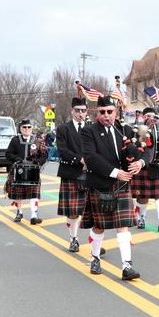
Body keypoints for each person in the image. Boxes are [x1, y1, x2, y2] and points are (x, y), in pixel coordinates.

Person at [80, 96, 150, 280]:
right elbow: (90, 157)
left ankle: (127, 266)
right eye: (102, 112)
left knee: (123, 225)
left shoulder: (125, 130)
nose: (106, 116)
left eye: (110, 112)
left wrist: (141, 162)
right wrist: (114, 172)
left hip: (122, 185)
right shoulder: (89, 131)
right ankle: (95, 258)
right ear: (97, 113)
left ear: (115, 112)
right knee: (99, 226)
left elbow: (148, 147)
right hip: (100, 184)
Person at [131, 107, 159, 233]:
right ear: (143, 117)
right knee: (142, 196)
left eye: (153, 116)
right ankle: (141, 218)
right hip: (143, 165)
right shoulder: (136, 130)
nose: (150, 118)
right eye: (147, 115)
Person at [56, 97, 89, 251]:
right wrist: (80, 160)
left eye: (83, 110)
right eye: (77, 110)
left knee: (92, 210)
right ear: (72, 111)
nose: (80, 113)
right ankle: (73, 239)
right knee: (74, 212)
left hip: (91, 174)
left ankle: (93, 241)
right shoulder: (64, 128)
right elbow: (63, 150)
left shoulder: (91, 128)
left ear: (86, 111)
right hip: (72, 173)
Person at [5, 119, 48, 224]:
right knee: (18, 194)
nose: (27, 129)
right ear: (20, 129)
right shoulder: (15, 140)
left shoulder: (38, 141)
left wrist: (38, 162)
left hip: (33, 171)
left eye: (29, 127)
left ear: (32, 128)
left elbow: (44, 155)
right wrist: (16, 159)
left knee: (34, 193)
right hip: (18, 170)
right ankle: (19, 212)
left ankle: (34, 215)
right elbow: (8, 153)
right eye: (24, 127)